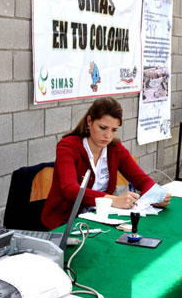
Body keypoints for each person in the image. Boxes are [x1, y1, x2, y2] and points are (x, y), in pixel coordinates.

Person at [41, 97, 171, 229]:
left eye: (114, 130)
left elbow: (142, 180)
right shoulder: (68, 146)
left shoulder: (115, 149)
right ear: (89, 121)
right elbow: (71, 190)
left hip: (99, 220)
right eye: (103, 128)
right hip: (63, 223)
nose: (108, 136)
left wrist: (156, 196)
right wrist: (113, 200)